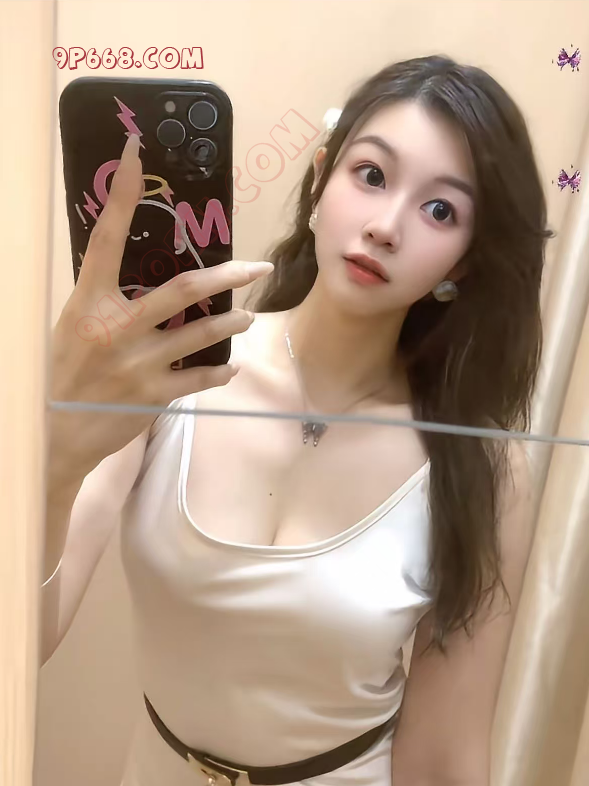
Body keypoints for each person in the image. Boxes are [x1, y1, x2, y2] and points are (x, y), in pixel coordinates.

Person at [43, 55, 551, 786]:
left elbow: (445, 757)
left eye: (440, 210)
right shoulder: (175, 367)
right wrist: (55, 453)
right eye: (371, 174)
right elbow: (26, 637)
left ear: (463, 265)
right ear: (320, 179)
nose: (385, 227)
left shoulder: (482, 467)